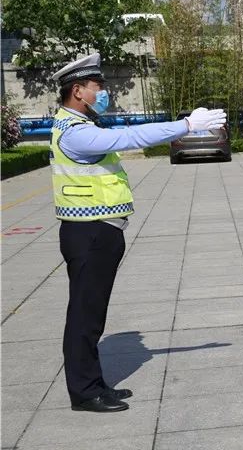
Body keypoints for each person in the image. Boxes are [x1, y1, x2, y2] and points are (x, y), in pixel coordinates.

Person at [50, 54, 227, 412]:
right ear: (78, 90)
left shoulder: (77, 124)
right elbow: (130, 136)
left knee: (92, 314)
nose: (103, 92)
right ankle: (84, 392)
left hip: (96, 232)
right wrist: (185, 125)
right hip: (89, 235)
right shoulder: (76, 132)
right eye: (98, 87)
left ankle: (95, 384)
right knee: (85, 316)